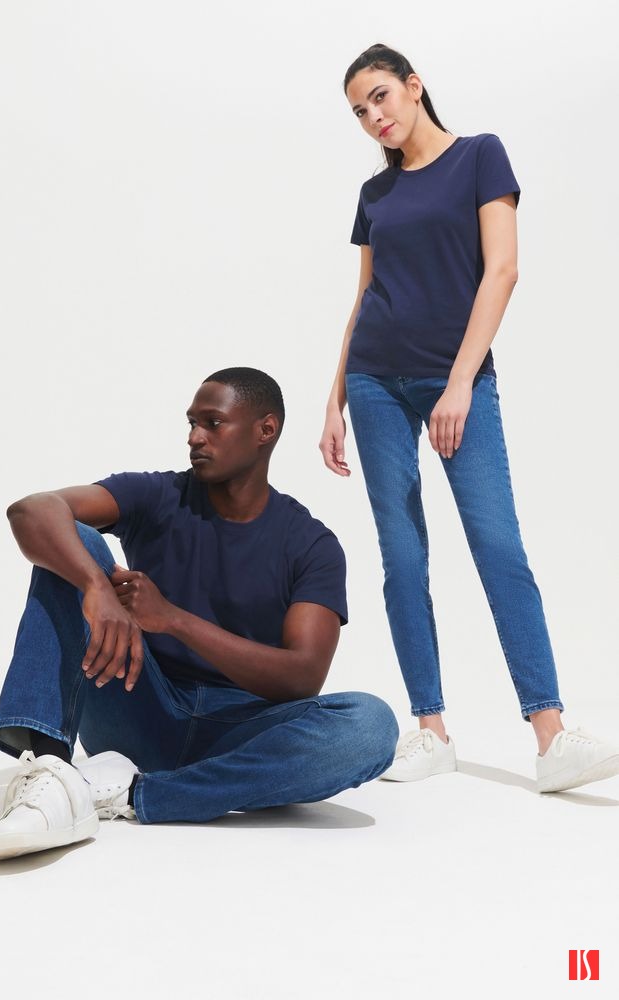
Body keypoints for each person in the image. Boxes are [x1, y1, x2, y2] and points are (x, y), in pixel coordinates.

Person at [319, 44, 619, 792]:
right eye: (359, 111)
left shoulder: (480, 156)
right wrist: (334, 397)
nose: (374, 117)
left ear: (414, 86)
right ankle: (430, 731)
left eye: (381, 96)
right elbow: (364, 296)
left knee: (496, 545)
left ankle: (551, 736)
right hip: (373, 381)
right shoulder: (374, 193)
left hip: (456, 379)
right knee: (402, 557)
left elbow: (503, 270)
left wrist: (458, 383)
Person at [0, 367, 397, 861]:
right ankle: (50, 778)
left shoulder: (311, 544)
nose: (195, 437)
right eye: (192, 423)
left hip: (242, 734)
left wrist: (172, 619)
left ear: (266, 430)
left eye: (213, 423)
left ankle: (136, 794)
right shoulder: (157, 496)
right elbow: (32, 509)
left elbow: (302, 677)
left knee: (371, 725)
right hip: (137, 706)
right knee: (76, 543)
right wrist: (96, 586)